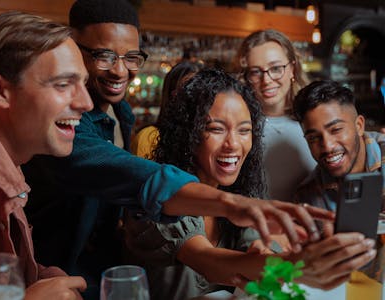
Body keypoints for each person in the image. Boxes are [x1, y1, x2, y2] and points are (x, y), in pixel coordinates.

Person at [21, 0, 332, 298]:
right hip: (55, 275)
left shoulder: (121, 114)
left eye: (131, 57)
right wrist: (232, 205)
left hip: (103, 273)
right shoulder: (65, 126)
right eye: (105, 55)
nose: (120, 70)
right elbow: (131, 177)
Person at [123, 69, 376, 300]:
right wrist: (297, 266)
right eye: (216, 128)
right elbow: (209, 262)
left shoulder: (239, 193)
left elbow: (257, 252)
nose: (233, 144)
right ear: (188, 134)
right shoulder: (160, 196)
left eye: (244, 130)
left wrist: (267, 252)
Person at [0, 11, 94, 299]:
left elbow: (0, 275)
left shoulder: (10, 164)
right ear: (0, 91)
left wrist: (49, 279)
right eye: (62, 84)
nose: (87, 103)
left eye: (83, 83)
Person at [293, 79, 384, 285]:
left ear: (359, 125)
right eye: (314, 138)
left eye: (336, 130)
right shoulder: (307, 195)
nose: (327, 146)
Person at [235, 29, 317, 201]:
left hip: (312, 225)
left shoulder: (314, 118)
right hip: (257, 226)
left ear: (292, 69)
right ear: (246, 76)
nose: (267, 80)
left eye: (276, 68)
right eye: (256, 72)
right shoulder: (238, 128)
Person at [131, 60, 203, 158]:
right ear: (172, 95)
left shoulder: (208, 138)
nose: (196, 96)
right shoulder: (149, 138)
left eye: (201, 89)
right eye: (188, 89)